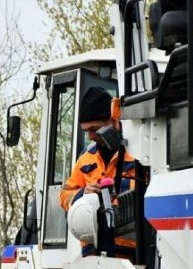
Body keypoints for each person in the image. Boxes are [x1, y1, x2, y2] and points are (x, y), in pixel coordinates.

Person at [59, 86, 137, 258]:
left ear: (112, 121)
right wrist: (83, 193)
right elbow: (64, 195)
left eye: (93, 129)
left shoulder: (138, 152)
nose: (90, 137)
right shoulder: (86, 159)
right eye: (86, 131)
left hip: (132, 252)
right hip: (93, 251)